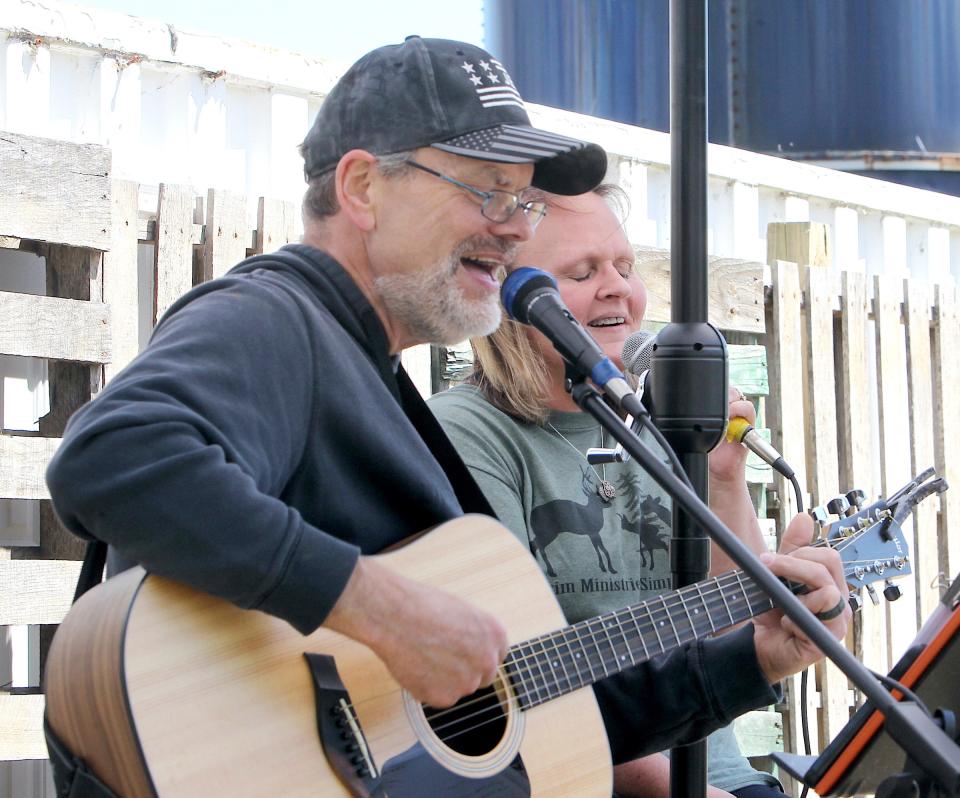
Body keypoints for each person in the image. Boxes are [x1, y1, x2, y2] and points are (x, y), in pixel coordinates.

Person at [45, 34, 849, 788]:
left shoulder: (373, 374)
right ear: (362, 187)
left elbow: (531, 716)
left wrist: (754, 660)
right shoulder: (277, 317)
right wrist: (385, 614)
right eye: (486, 191)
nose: (510, 229)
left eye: (523, 203)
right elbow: (113, 459)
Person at [427, 185, 830, 796]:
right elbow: (518, 694)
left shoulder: (650, 432)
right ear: (510, 302)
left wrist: (721, 480)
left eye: (625, 266)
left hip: (719, 776)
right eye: (582, 272)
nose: (618, 287)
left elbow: (724, 631)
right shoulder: (468, 434)